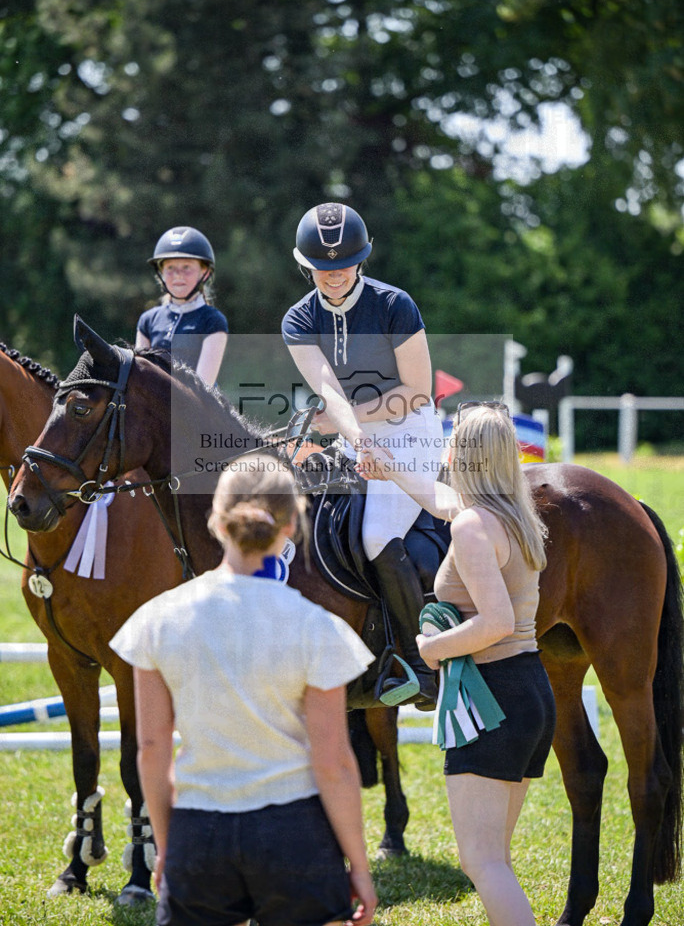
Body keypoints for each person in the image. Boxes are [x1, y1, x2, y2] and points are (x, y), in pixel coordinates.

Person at [109, 458, 377, 926]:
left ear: (216, 519)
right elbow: (333, 760)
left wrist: (169, 848)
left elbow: (151, 750)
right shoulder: (319, 628)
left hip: (199, 829)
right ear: (293, 524)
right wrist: (359, 863)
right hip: (295, 832)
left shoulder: (156, 620)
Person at [357, 402, 555, 926]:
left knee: (482, 861)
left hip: (492, 700)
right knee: (497, 860)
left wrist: (430, 649)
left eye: (451, 438)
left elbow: (494, 622)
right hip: (528, 691)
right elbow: (441, 500)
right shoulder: (513, 514)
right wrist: (388, 466)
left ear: (462, 453)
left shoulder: (471, 526)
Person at [281, 201, 444, 708]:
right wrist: (353, 434)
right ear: (306, 265)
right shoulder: (298, 319)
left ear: (362, 259)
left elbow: (418, 388)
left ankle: (423, 665)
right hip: (354, 433)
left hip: (412, 429)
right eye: (323, 268)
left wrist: (357, 429)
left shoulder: (396, 305)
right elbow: (328, 390)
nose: (334, 276)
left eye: (344, 264)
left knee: (376, 533)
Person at [135, 225, 228, 387]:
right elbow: (141, 376)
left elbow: (202, 388)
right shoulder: (148, 320)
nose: (178, 275)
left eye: (186, 267)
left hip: (198, 408)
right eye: (170, 268)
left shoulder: (213, 321)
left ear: (204, 273)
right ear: (161, 273)